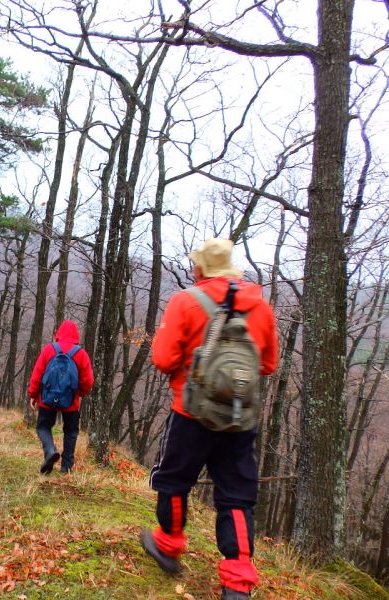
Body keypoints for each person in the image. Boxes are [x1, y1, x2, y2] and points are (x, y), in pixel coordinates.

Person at [141, 238, 278, 600]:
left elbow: (163, 359)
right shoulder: (260, 307)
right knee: (236, 495)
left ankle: (169, 545)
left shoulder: (185, 302)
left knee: (174, 481)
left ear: (200, 268)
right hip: (240, 418)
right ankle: (237, 580)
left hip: (191, 412)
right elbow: (267, 364)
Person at [27, 320, 94, 475]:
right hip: (71, 402)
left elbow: (37, 373)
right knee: (70, 432)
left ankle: (50, 451)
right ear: (77, 335)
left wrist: (33, 394)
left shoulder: (49, 349)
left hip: (47, 399)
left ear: (59, 333)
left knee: (43, 427)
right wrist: (80, 393)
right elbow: (88, 380)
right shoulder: (80, 354)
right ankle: (66, 467)